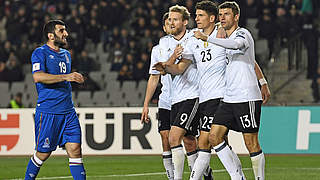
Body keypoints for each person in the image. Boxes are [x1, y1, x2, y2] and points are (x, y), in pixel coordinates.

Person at [194, 2, 268, 179]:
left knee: (250, 143)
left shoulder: (242, 33)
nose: (222, 17)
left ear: (236, 17)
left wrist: (207, 38)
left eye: (226, 14)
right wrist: (263, 81)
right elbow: (251, 61)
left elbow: (236, 45)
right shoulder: (223, 38)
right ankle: (238, 176)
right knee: (214, 136)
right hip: (228, 98)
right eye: (220, 14)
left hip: (246, 96)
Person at [24, 20, 86, 180]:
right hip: (49, 112)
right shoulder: (40, 53)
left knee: (75, 150)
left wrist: (73, 78)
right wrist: (67, 76)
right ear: (51, 35)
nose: (66, 34)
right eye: (61, 31)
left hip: (68, 112)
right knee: (43, 154)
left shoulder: (66, 55)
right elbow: (38, 77)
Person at [152, 5, 204, 180]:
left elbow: (180, 68)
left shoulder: (193, 37)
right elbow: (163, 70)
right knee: (189, 141)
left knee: (174, 138)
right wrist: (168, 64)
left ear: (184, 22)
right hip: (175, 98)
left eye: (175, 19)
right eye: (169, 20)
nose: (171, 22)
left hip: (193, 95)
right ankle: (206, 173)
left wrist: (167, 65)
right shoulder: (164, 42)